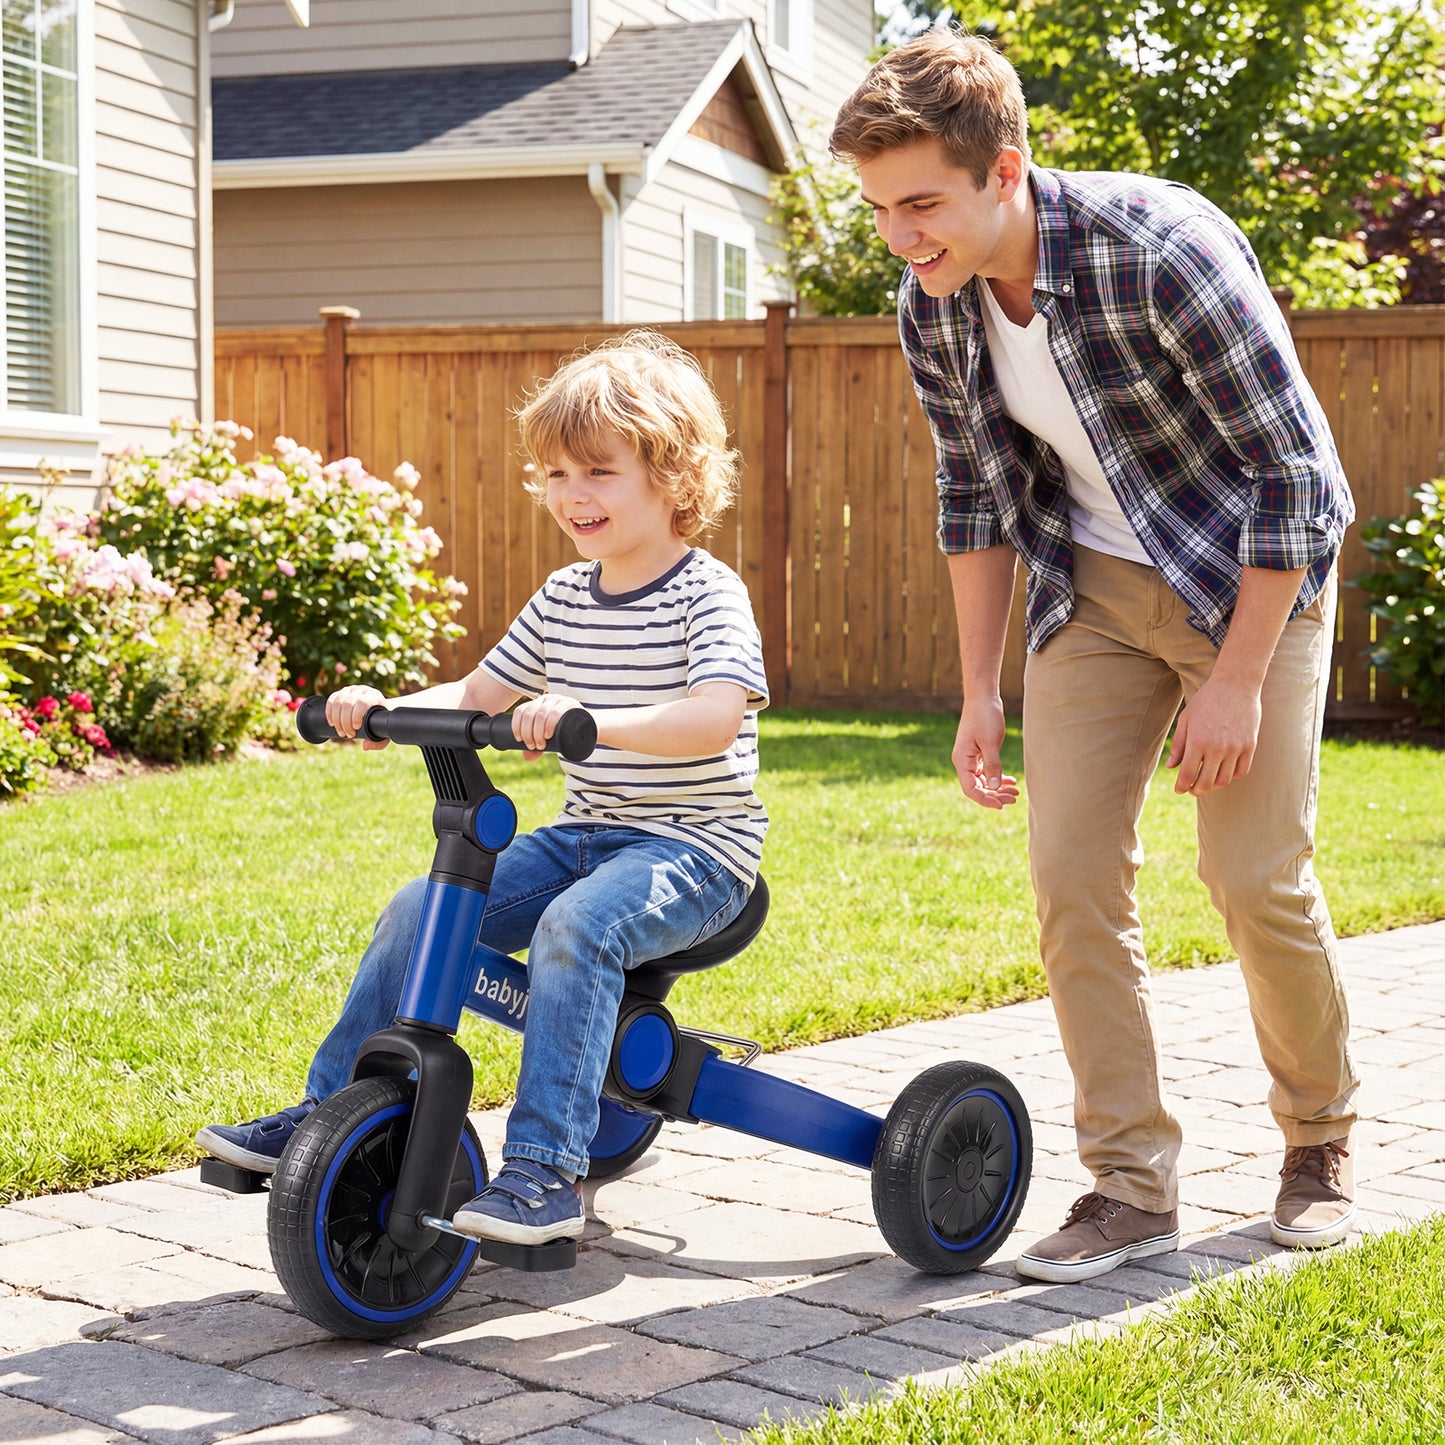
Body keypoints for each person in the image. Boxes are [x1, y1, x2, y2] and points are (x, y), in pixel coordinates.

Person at [830, 29, 1359, 1282]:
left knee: (1250, 873)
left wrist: (1233, 681)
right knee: (1070, 878)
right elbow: (971, 491)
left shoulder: (1158, 250)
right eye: (879, 211)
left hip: (1251, 578)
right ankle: (1128, 1185)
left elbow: (1297, 478)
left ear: (1003, 171)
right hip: (1095, 593)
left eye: (921, 205)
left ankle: (1318, 1139)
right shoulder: (933, 301)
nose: (900, 237)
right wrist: (976, 689)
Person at [198, 331, 768, 1245]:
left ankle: (543, 1172)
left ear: (673, 474)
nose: (573, 494)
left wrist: (589, 717)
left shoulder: (706, 593)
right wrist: (379, 706)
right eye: (556, 474)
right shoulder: (563, 597)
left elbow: (711, 717)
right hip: (586, 838)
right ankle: (326, 1110)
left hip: (697, 852)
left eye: (599, 471)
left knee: (575, 927)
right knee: (419, 907)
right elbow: (474, 696)